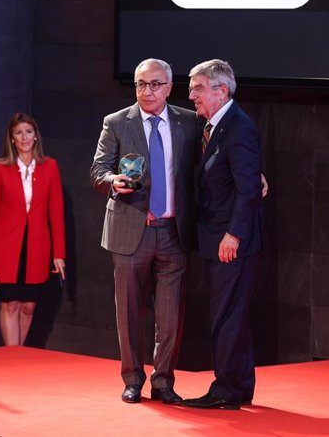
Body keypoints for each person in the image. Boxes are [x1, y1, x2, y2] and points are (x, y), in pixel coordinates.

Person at [90, 58, 200, 404]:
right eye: (140, 84)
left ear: (169, 87)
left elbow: (215, 159)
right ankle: (133, 378)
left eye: (154, 84)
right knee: (130, 312)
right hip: (129, 228)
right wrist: (112, 181)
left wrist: (252, 174)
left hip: (173, 232)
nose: (146, 91)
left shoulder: (189, 121)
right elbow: (98, 169)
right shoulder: (117, 123)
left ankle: (164, 381)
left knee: (169, 317)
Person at [182, 59, 264, 410]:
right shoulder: (217, 126)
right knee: (233, 314)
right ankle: (239, 386)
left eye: (198, 88)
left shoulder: (238, 127)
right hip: (219, 237)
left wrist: (233, 235)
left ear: (222, 90)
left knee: (227, 315)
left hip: (230, 242)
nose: (191, 96)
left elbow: (249, 190)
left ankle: (226, 391)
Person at [0, 112, 66, 346]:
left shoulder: (50, 167)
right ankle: (11, 355)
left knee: (28, 305)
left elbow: (56, 213)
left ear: (36, 136)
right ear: (12, 138)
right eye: (19, 133)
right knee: (10, 303)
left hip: (37, 247)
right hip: (6, 248)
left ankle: (19, 352)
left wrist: (59, 254)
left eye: (28, 131)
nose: (24, 137)